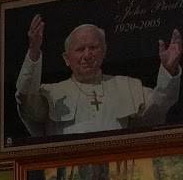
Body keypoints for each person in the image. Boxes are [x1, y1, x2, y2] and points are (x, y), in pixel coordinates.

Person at [16, 20, 182, 137]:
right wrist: (33, 54)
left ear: (104, 51)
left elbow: (157, 108)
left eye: (93, 47)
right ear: (66, 58)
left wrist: (168, 71)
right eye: (80, 49)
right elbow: (27, 102)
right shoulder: (51, 93)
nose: (87, 55)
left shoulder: (127, 86)